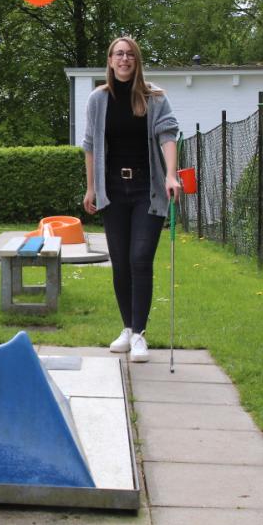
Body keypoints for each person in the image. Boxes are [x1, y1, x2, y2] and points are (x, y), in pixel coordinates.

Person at [82, 36, 181, 363]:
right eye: (118, 54)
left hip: (146, 190)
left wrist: (171, 174)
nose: (124, 59)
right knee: (121, 261)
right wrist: (91, 188)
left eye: (130, 55)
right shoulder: (98, 99)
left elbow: (167, 135)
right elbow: (90, 146)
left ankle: (139, 334)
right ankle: (127, 328)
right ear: (110, 60)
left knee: (140, 258)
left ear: (136, 61)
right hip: (113, 190)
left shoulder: (154, 97)